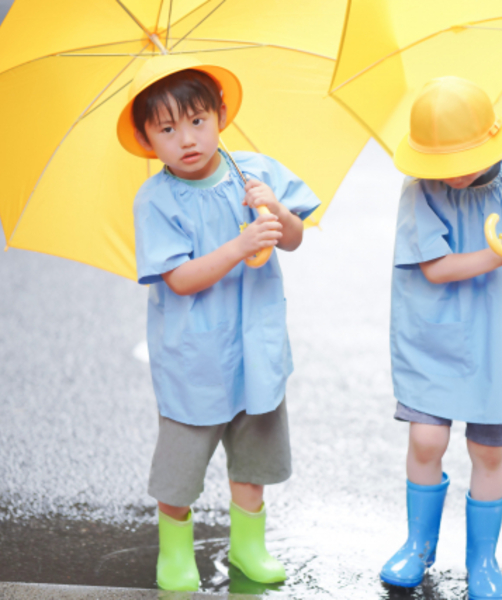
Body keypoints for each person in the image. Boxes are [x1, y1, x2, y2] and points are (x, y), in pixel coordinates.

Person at [116, 56, 320, 592]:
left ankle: (249, 546)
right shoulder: (155, 200)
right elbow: (179, 279)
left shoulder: (255, 173)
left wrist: (277, 211)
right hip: (194, 357)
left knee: (254, 458)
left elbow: (295, 238)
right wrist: (239, 245)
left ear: (221, 115)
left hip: (257, 346)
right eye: (167, 129)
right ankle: (175, 549)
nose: (187, 139)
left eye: (198, 121)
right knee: (181, 465)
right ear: (146, 138)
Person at [380, 76, 502, 599]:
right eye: (438, 162)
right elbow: (436, 268)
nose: (449, 173)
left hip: (496, 341)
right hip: (433, 338)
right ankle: (417, 546)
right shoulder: (421, 191)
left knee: (488, 451)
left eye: (459, 159)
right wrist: (498, 253)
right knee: (426, 438)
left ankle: (483, 561)